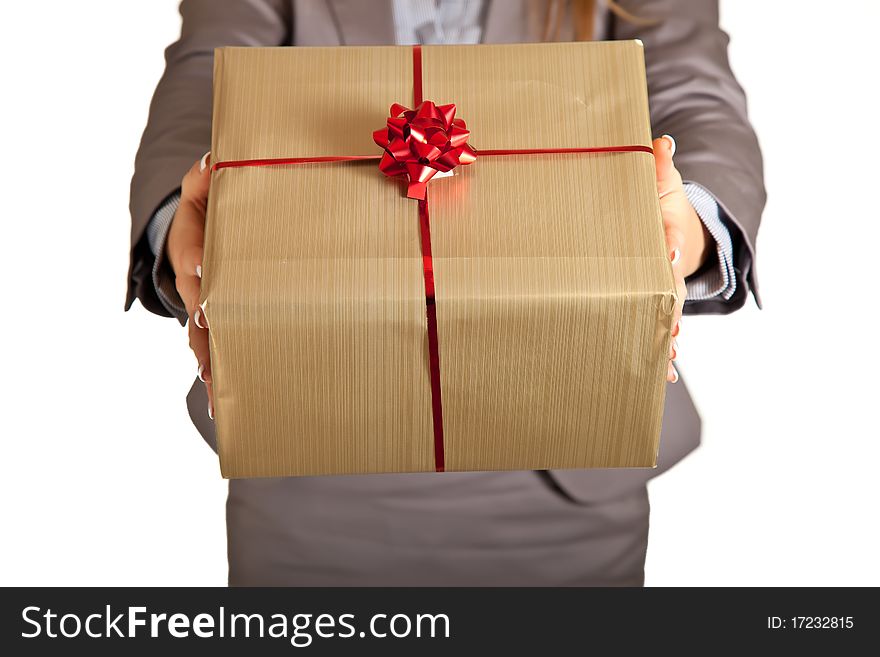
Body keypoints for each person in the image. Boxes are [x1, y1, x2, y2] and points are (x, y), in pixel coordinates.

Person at [126, 0, 764, 586]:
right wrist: (183, 225)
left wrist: (692, 227)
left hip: (568, 454)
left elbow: (696, 97)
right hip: (310, 445)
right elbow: (203, 89)